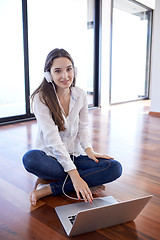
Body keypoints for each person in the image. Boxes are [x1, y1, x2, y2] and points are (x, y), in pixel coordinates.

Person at [22, 48, 122, 206]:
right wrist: (75, 175)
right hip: (51, 158)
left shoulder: (80, 94)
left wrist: (89, 151)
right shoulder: (40, 98)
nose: (65, 76)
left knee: (114, 167)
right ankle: (83, 179)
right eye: (58, 71)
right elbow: (52, 139)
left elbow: (83, 128)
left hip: (75, 156)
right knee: (30, 158)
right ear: (48, 74)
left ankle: (49, 188)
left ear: (74, 70)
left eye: (69, 69)